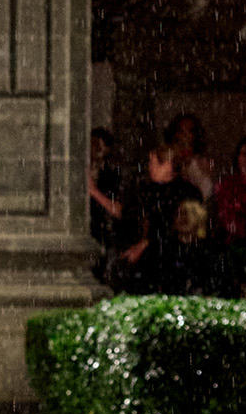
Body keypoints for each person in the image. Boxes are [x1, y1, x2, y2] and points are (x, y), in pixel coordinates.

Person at [114, 143, 199, 293]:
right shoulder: (147, 191)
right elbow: (126, 212)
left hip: (178, 259)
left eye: (153, 163)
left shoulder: (187, 193)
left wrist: (147, 243)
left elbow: (181, 229)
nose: (150, 167)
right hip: (151, 263)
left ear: (168, 165)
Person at [87, 127, 124, 281]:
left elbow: (119, 210)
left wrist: (94, 192)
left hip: (104, 235)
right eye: (93, 145)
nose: (96, 151)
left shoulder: (112, 175)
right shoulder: (75, 171)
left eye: (100, 146)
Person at [165, 112, 216, 202]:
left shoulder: (203, 164)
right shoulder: (164, 162)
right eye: (181, 131)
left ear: (195, 136)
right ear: (174, 134)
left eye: (190, 131)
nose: (185, 135)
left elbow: (207, 194)